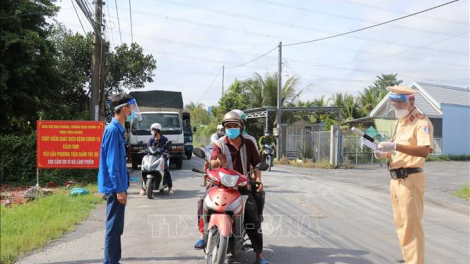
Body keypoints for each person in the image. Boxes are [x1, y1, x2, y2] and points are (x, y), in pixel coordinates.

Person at [195, 110, 269, 264]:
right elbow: (213, 158)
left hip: (241, 185)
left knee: (252, 216)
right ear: (224, 128)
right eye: (228, 126)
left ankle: (259, 255)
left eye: (235, 125)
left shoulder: (248, 143)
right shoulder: (219, 143)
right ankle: (202, 235)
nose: (231, 128)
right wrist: (213, 162)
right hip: (220, 184)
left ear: (241, 127)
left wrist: (259, 180)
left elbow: (256, 164)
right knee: (203, 202)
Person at [374, 86, 434, 264]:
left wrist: (395, 147)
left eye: (399, 105)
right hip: (396, 179)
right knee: (401, 226)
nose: (396, 109)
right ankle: (409, 260)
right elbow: (396, 151)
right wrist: (383, 153)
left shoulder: (421, 123)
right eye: (394, 106)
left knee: (411, 227)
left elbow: (424, 151)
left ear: (411, 102)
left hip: (411, 178)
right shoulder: (399, 123)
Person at [98, 93, 140, 264]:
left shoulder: (117, 130)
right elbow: (112, 165)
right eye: (130, 107)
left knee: (117, 228)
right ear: (124, 109)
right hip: (115, 189)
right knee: (113, 229)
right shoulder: (113, 130)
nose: (132, 111)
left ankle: (114, 260)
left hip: (118, 187)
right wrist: (119, 190)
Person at [140, 123, 174, 196]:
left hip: (162, 158)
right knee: (144, 169)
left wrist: (166, 152)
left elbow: (167, 148)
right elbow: (148, 147)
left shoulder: (164, 139)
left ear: (158, 130)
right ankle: (143, 188)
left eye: (154, 130)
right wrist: (146, 151)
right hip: (152, 158)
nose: (153, 131)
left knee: (166, 170)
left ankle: (170, 188)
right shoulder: (151, 139)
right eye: (152, 130)